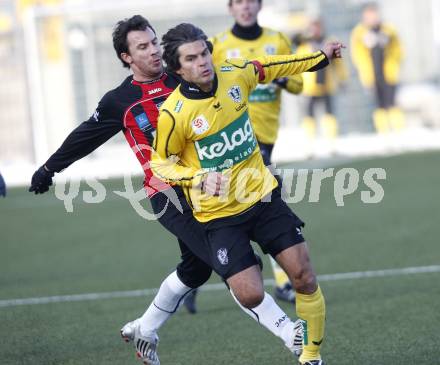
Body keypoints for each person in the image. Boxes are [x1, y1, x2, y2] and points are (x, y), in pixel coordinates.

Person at [28, 15, 303, 365]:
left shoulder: (184, 76)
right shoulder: (120, 101)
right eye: (142, 47)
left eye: (154, 42)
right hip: (168, 195)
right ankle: (287, 330)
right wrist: (49, 168)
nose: (153, 51)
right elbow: (85, 136)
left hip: (212, 190)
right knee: (232, 266)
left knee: (195, 269)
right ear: (126, 58)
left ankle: (145, 327)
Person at [152, 22, 343, 365]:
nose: (203, 62)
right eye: (192, 58)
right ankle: (243, 264)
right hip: (219, 216)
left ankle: (311, 356)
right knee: (251, 293)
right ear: (178, 69)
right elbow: (160, 166)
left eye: (205, 52)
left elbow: (275, 66)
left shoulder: (235, 75)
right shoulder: (174, 114)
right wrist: (197, 177)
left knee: (303, 275)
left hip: (263, 197)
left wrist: (320, 57)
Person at [209, 0, 303, 305]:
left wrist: (282, 78)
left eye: (250, 1)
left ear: (259, 5)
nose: (245, 7)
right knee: (269, 203)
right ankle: (282, 281)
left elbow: (299, 83)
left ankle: (192, 275)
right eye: (238, 2)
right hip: (235, 137)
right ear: (230, 8)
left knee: (244, 206)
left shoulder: (276, 40)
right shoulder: (219, 45)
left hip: (266, 134)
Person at [351, 2, 404, 133]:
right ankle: (383, 132)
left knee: (392, 102)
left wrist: (395, 62)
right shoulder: (359, 33)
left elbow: (399, 48)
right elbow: (357, 54)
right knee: (378, 104)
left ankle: (398, 131)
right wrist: (364, 71)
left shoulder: (388, 30)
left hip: (389, 72)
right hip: (372, 74)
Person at [297, 18, 348, 141]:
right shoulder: (304, 46)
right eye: (312, 28)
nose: (315, 31)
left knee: (329, 114)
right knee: (309, 115)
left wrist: (342, 78)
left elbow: (339, 64)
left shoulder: (330, 44)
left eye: (317, 27)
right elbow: (298, 65)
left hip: (327, 85)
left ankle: (331, 140)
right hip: (309, 87)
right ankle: (310, 141)